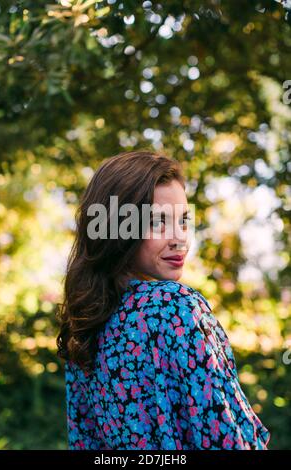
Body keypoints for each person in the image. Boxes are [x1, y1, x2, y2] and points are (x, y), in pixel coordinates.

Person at [56, 150, 270, 450]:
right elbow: (228, 441)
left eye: (184, 220)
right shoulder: (175, 307)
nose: (179, 237)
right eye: (158, 222)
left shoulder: (85, 325)